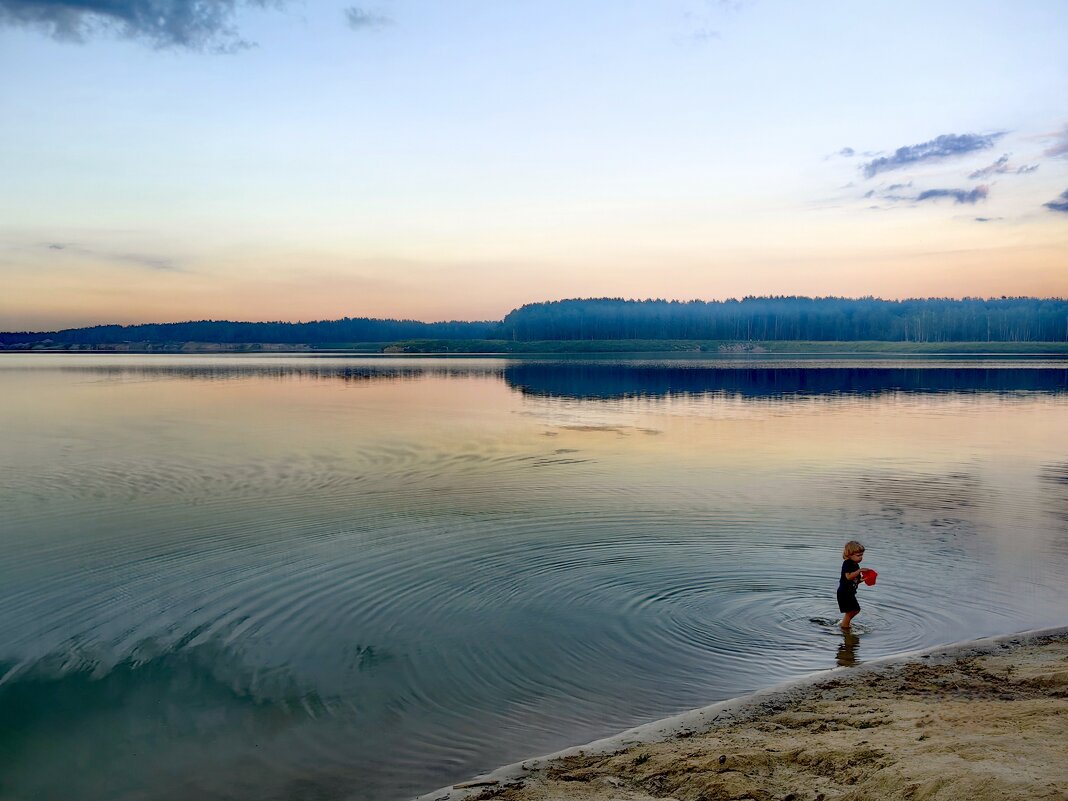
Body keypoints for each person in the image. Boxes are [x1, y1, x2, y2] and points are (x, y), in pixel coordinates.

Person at [837, 540, 866, 630]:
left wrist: (863, 579)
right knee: (852, 611)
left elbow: (855, 580)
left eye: (861, 555)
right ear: (849, 555)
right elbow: (848, 577)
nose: (861, 558)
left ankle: (844, 624)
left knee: (855, 610)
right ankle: (845, 626)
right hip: (844, 593)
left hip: (850, 592)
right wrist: (859, 571)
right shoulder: (847, 563)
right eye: (858, 555)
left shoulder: (856, 565)